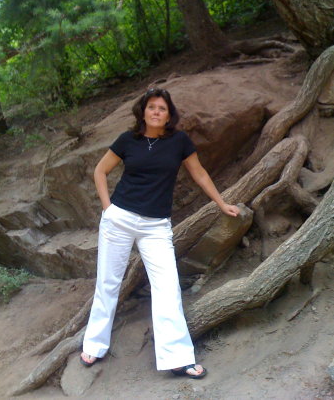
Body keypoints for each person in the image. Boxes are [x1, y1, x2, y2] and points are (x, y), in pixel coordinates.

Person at [80, 88, 240, 378]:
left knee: (167, 288)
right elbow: (100, 171)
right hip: (119, 219)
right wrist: (108, 209)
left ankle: (178, 357)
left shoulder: (179, 141)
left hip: (156, 226)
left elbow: (200, 173)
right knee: (108, 282)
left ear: (169, 115)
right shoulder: (127, 140)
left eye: (162, 108)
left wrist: (222, 203)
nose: (156, 111)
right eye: (151, 107)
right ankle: (94, 344)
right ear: (143, 111)